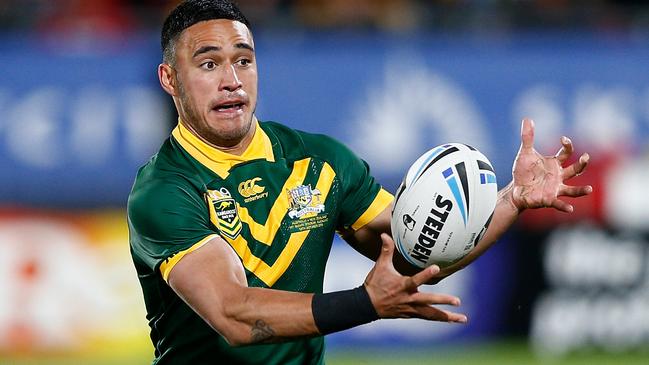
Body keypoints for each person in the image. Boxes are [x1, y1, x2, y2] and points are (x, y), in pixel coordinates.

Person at [127, 0, 593, 364]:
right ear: (170, 79)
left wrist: (512, 200)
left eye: (243, 61)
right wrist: (366, 304)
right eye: (208, 65)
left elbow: (413, 252)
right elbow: (232, 314)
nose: (232, 80)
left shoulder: (321, 161)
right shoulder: (164, 191)